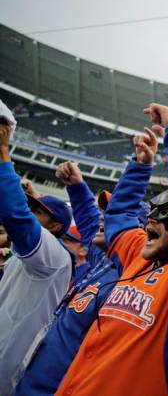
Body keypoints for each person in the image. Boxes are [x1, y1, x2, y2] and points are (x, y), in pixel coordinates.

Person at [55, 105, 168, 396]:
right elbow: (118, 216)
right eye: (153, 211)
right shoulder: (139, 253)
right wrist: (140, 167)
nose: (153, 218)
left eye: (167, 214)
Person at [14, 161, 119, 396]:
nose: (103, 218)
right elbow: (92, 223)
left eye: (115, 215)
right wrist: (78, 187)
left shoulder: (127, 279)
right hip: (26, 379)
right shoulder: (104, 259)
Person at [0, 122, 72, 395]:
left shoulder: (55, 255)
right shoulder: (35, 249)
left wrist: (4, 152)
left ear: (54, 227)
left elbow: (17, 219)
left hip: (7, 371)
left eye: (38, 212)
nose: (30, 214)